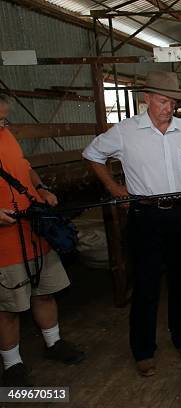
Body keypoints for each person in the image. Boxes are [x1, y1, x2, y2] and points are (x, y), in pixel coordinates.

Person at [83, 71, 181, 377]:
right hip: (145, 215)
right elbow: (92, 154)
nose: (169, 108)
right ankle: (143, 351)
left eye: (173, 102)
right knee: (146, 285)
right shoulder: (126, 131)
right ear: (146, 99)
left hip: (179, 213)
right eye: (163, 101)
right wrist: (115, 189)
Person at [0, 94, 84, 386]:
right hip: (5, 243)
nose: (3, 123)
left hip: (34, 230)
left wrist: (42, 187)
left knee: (45, 289)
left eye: (5, 118)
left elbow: (24, 167)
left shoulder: (6, 134)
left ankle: (53, 343)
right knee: (8, 305)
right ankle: (12, 364)